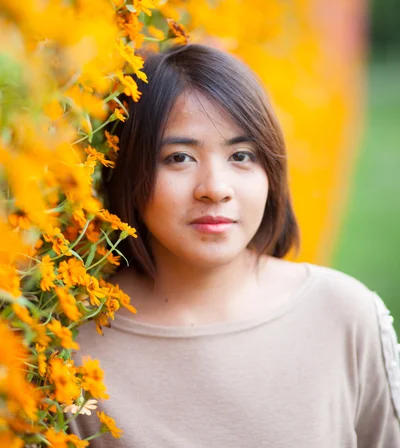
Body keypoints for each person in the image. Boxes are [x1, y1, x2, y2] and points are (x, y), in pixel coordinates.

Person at [69, 43, 400, 447]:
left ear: (271, 173)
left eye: (241, 155)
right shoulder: (74, 351)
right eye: (179, 158)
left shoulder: (345, 315)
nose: (215, 189)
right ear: (129, 172)